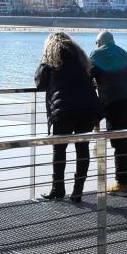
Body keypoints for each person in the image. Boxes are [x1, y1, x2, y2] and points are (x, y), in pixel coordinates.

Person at [34, 31, 101, 203]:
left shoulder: (52, 55)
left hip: (64, 109)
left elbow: (39, 82)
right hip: (88, 107)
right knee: (82, 148)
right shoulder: (80, 56)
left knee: (59, 149)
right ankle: (78, 191)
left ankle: (58, 189)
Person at [89, 30, 127, 192]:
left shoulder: (97, 53)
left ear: (99, 43)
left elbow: (88, 75)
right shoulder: (123, 52)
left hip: (115, 101)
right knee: (123, 139)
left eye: (96, 43)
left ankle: (122, 183)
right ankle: (123, 180)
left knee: (119, 141)